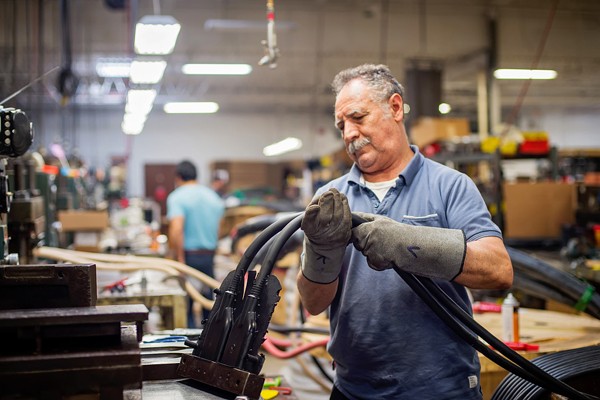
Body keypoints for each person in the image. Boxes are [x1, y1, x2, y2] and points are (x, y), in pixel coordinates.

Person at [297, 64, 513, 400]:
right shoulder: (330, 200)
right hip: (354, 390)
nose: (349, 134)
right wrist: (321, 253)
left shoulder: (450, 186)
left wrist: (406, 242)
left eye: (358, 117)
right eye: (342, 125)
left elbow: (498, 270)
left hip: (442, 389)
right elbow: (312, 303)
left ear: (395, 107)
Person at [167, 160, 225, 327]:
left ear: (178, 177)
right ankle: (209, 342)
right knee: (208, 301)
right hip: (209, 255)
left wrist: (178, 258)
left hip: (189, 256)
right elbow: (219, 228)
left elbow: (176, 230)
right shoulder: (213, 196)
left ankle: (190, 344)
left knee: (188, 304)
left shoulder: (177, 197)